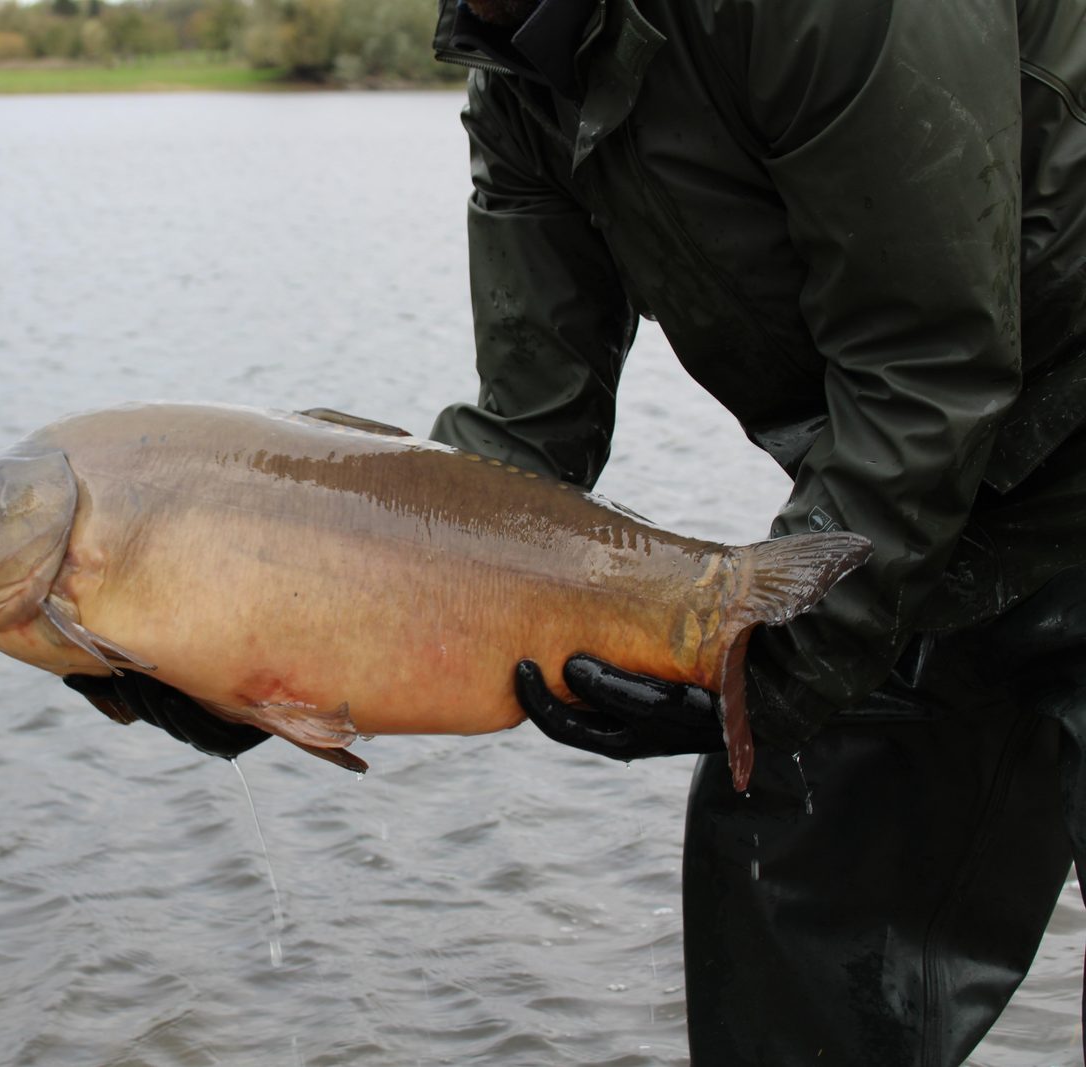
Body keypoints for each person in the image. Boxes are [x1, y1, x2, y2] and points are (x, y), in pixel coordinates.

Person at [70, 0, 1086, 1060]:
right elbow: (519, 447)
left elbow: (929, 366)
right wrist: (263, 666)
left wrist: (774, 671)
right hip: (906, 514)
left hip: (987, 453)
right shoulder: (517, 77)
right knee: (780, 928)